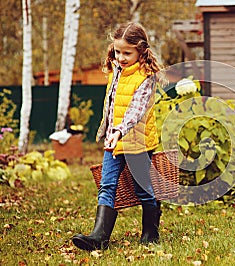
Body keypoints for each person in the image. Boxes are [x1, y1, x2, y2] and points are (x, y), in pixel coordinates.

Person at [72, 22, 165, 251]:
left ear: (141, 50)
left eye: (127, 53)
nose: (121, 57)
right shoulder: (117, 69)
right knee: (107, 185)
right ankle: (99, 237)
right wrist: (108, 131)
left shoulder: (146, 76)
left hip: (137, 141)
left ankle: (150, 231)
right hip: (114, 140)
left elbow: (135, 110)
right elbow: (112, 105)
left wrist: (119, 131)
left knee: (143, 189)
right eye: (117, 51)